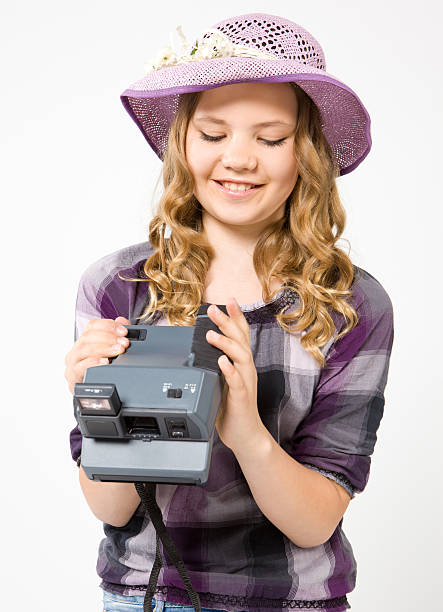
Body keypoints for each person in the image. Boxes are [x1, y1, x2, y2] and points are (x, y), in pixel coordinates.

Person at [64, 12, 395, 612]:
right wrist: (97, 409)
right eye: (214, 134)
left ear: (308, 153)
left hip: (288, 599)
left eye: (270, 138)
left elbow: (314, 523)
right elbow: (113, 510)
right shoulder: (119, 287)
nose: (238, 159)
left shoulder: (351, 305)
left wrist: (245, 431)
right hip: (144, 595)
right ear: (183, 143)